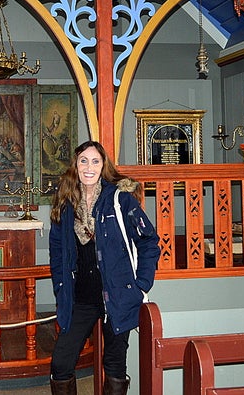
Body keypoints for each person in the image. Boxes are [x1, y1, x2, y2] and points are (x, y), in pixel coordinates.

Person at [48, 141, 161, 394]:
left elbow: (149, 242)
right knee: (61, 363)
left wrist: (141, 285)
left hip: (118, 295)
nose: (89, 167)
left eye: (95, 161)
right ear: (75, 166)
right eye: (83, 161)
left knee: (114, 365)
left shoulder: (120, 199)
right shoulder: (65, 205)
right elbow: (56, 251)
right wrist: (61, 286)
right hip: (81, 299)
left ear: (103, 166)